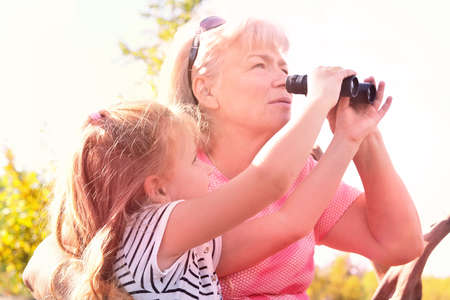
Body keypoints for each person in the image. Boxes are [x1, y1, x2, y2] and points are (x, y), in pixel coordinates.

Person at [23, 15, 424, 299]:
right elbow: (52, 258)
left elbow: (400, 245)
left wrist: (360, 137)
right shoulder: (170, 178)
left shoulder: (303, 173)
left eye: (284, 65)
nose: (283, 78)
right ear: (206, 88)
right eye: (259, 64)